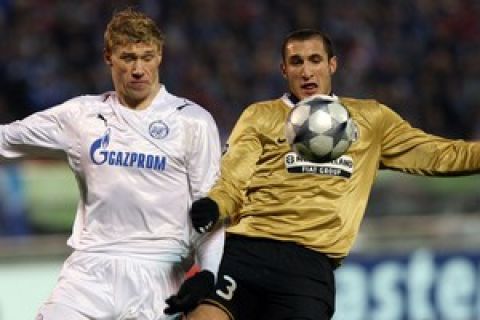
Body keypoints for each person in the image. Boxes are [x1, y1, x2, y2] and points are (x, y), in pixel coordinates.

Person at [174, 28, 480, 320]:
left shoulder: (372, 120)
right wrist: (216, 205)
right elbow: (232, 179)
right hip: (244, 252)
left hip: (308, 267)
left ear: (332, 64)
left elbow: (444, 155)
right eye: (296, 62)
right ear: (284, 70)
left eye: (315, 60)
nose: (306, 72)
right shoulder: (261, 115)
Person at [0, 8, 224, 320]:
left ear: (160, 55)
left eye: (147, 56)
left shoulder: (192, 121)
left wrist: (208, 274)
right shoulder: (80, 116)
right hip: (89, 269)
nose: (138, 68)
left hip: (159, 269)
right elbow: (4, 138)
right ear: (109, 57)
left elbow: (210, 208)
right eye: (128, 57)